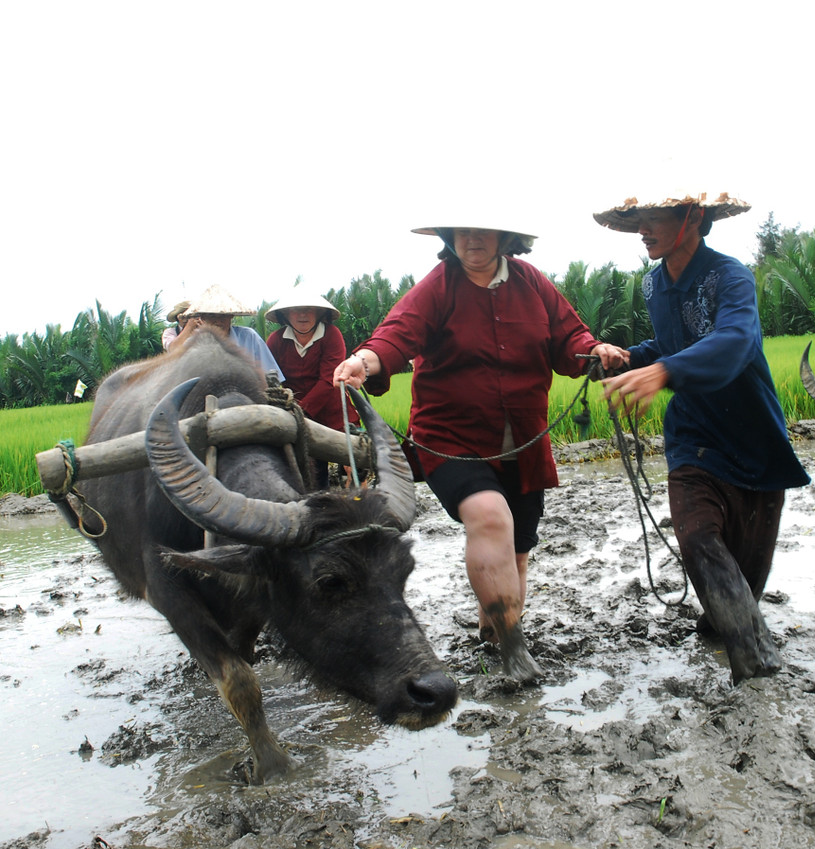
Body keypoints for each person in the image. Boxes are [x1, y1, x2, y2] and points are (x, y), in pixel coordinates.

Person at [332, 219, 624, 681]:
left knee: (517, 550)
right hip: (451, 438)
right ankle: (513, 648)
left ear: (506, 238)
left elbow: (570, 338)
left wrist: (595, 350)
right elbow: (396, 335)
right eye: (461, 232)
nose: (471, 240)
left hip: (523, 440)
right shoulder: (438, 287)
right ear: (449, 238)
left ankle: (494, 632)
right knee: (490, 518)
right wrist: (362, 361)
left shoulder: (533, 284)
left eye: (483, 232)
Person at [593, 190, 810, 683]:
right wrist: (630, 358)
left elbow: (735, 341)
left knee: (743, 585)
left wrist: (663, 371)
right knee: (697, 538)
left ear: (692, 216)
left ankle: (723, 630)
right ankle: (757, 669)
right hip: (693, 437)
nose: (643, 230)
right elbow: (669, 343)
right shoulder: (653, 284)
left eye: (653, 218)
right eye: (638, 220)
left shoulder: (730, 276)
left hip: (752, 438)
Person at [266, 288, 359, 432]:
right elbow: (269, 379)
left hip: (335, 418)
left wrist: (300, 411)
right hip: (294, 417)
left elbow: (328, 380)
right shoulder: (276, 340)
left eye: (308, 309)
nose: (302, 314)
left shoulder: (331, 335)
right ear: (285, 314)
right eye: (296, 309)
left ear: (319, 313)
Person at [172, 284, 285, 381]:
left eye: (223, 316)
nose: (218, 321)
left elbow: (271, 375)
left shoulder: (249, 337)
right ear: (202, 318)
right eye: (211, 316)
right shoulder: (193, 343)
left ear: (231, 316)